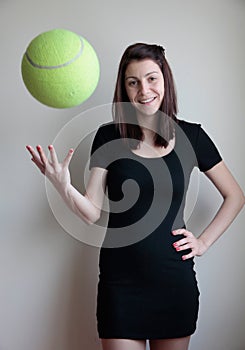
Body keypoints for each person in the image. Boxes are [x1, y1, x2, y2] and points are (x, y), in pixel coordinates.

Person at [26, 43, 244, 350]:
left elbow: (235, 195)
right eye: (133, 82)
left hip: (173, 282)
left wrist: (203, 242)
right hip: (120, 284)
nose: (144, 90)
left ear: (165, 81)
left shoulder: (192, 137)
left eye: (152, 78)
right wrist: (63, 186)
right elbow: (91, 212)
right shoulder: (107, 137)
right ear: (124, 89)